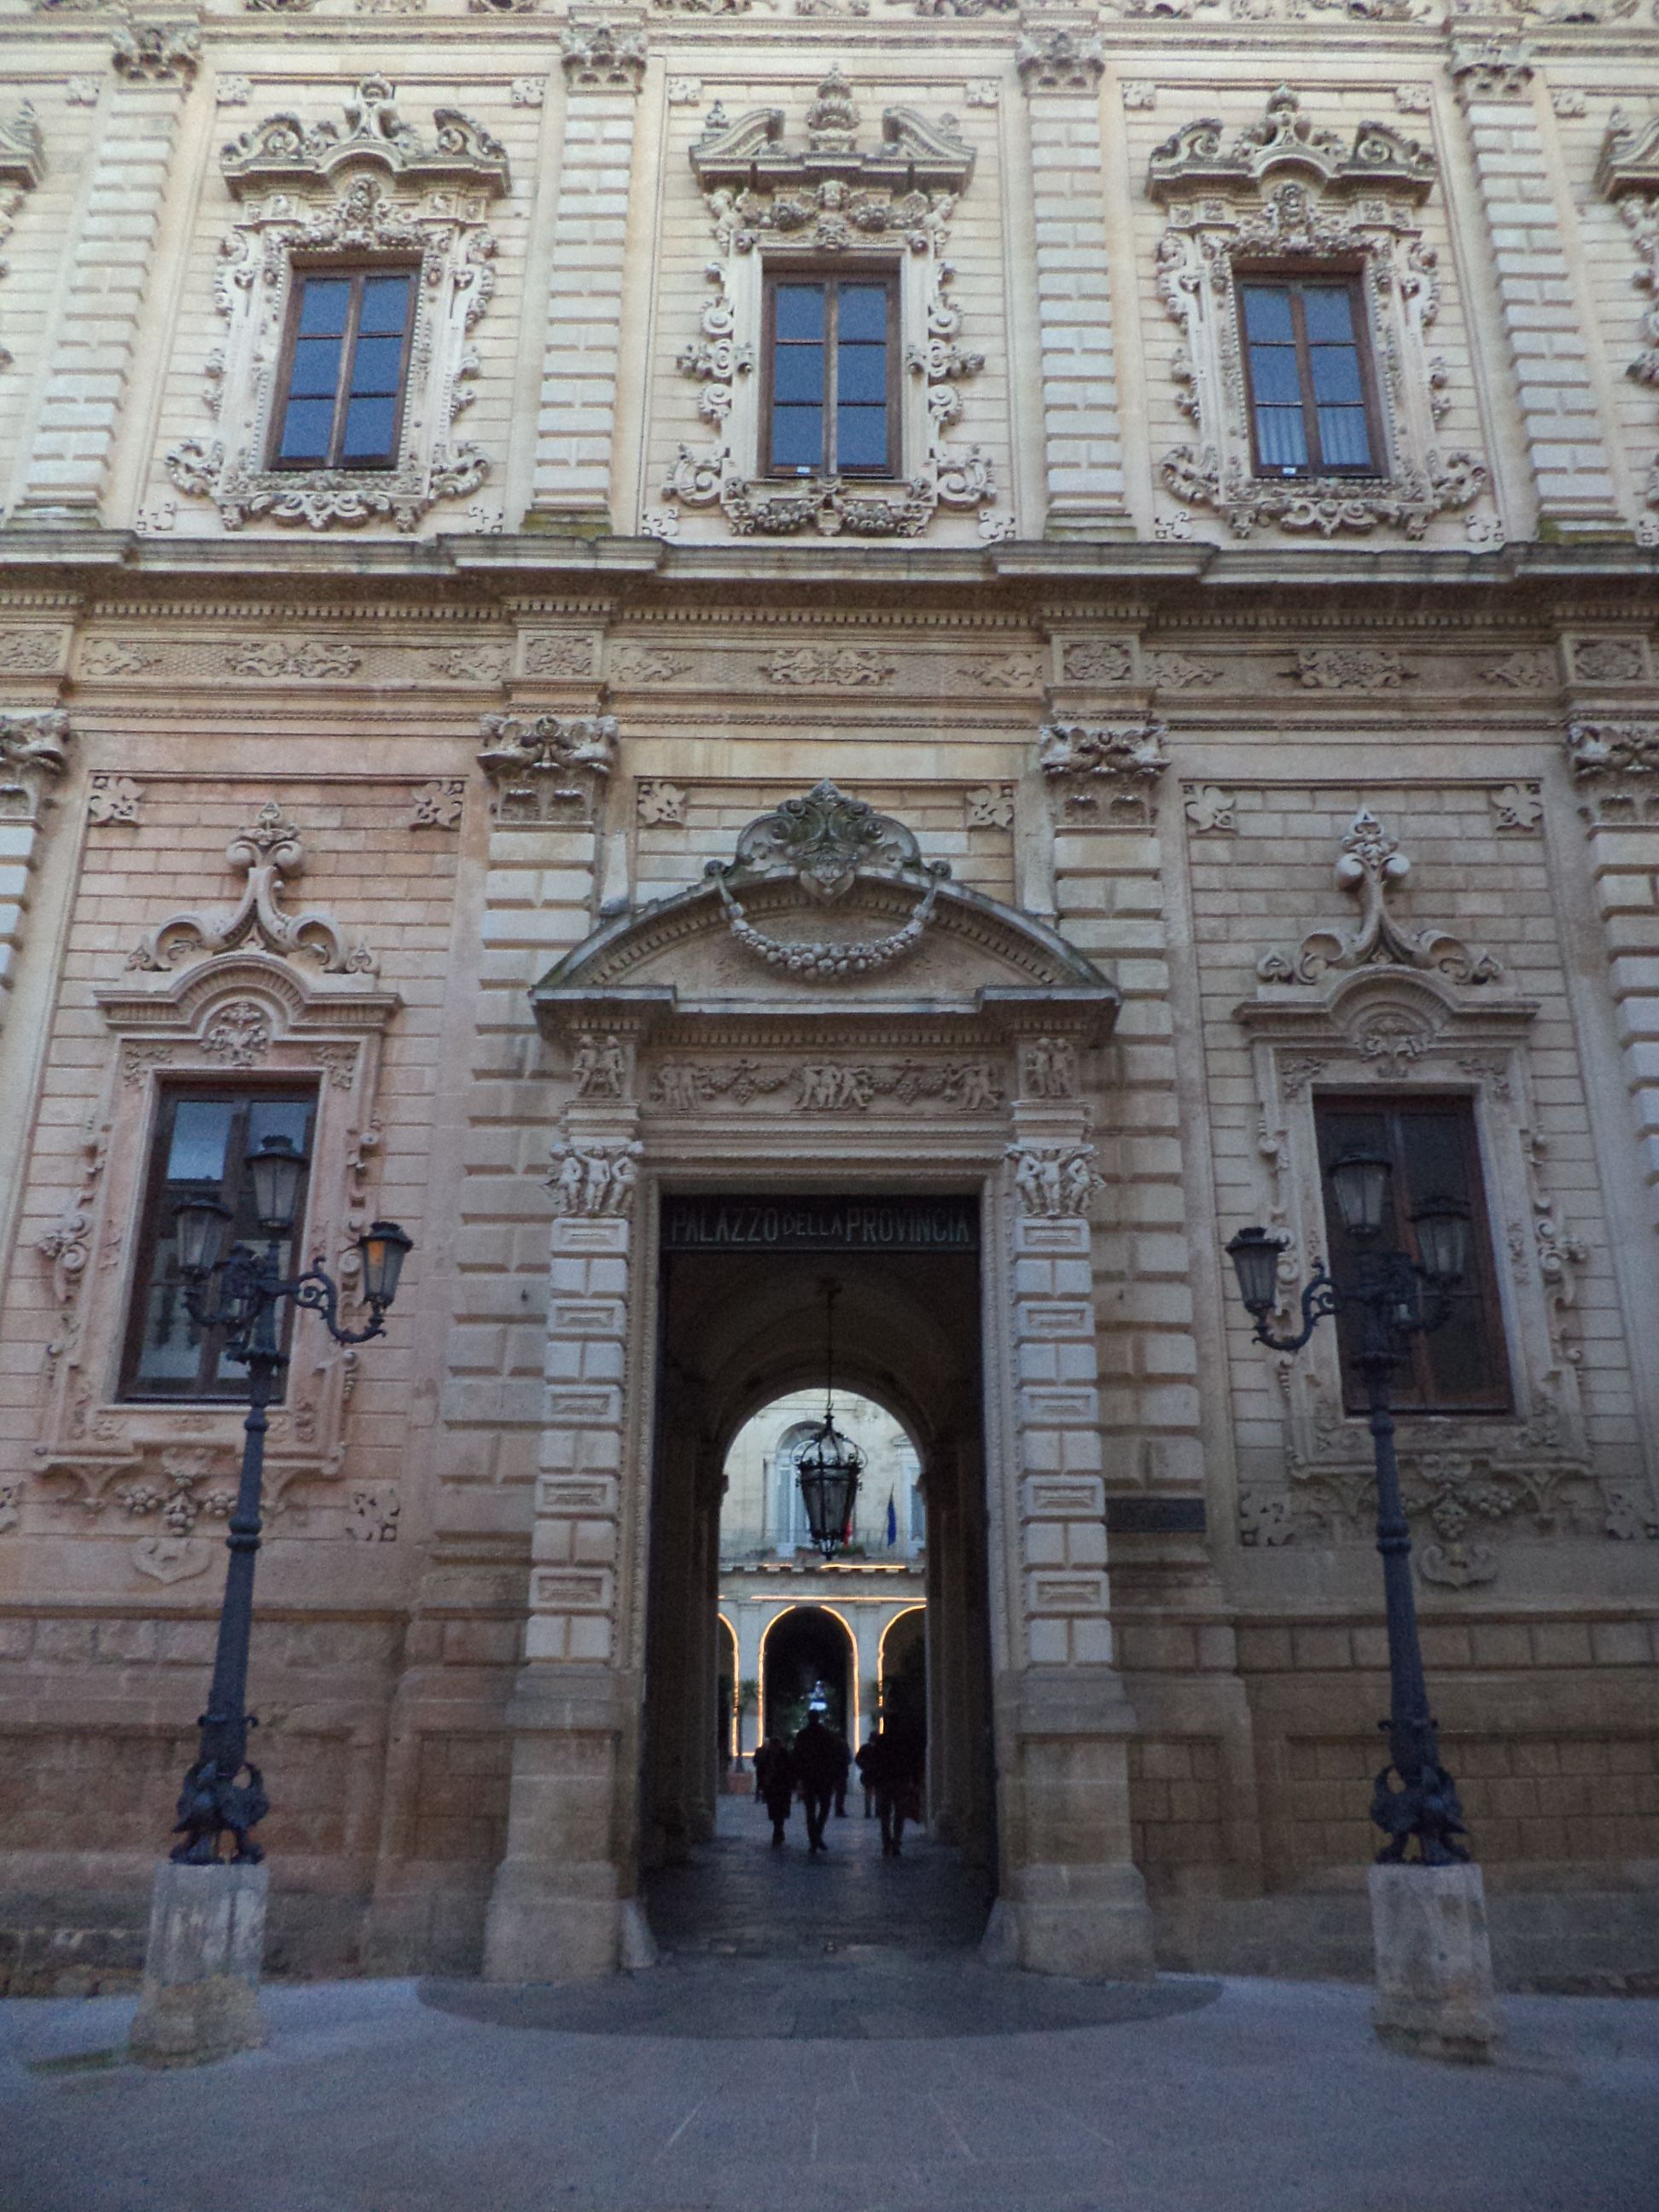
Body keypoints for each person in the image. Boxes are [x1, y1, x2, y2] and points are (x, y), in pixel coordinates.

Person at [790, 1710, 842, 1855]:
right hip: (824, 1777)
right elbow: (834, 1756)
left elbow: (796, 1756)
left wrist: (797, 1777)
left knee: (810, 1811)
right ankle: (817, 1835)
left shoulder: (803, 1735)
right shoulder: (827, 1735)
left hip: (809, 1777)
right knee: (824, 1807)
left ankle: (814, 1839)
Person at [753, 1734, 795, 1848]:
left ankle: (778, 1831)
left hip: (776, 1787)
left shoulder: (770, 1756)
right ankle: (778, 1831)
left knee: (777, 1811)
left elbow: (761, 1769)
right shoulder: (782, 1755)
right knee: (778, 1811)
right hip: (778, 1788)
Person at [830, 1725, 853, 1818]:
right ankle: (839, 1809)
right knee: (841, 1791)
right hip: (842, 1770)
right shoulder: (843, 1744)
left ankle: (836, 1809)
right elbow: (848, 1757)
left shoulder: (830, 1744)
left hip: (832, 1770)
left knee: (833, 1790)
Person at [853, 1735, 876, 1818]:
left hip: (867, 1773)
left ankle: (868, 1812)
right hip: (877, 1773)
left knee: (868, 1793)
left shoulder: (864, 1748)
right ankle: (878, 1812)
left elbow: (857, 1759)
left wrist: (863, 1766)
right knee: (878, 1793)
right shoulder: (879, 1748)